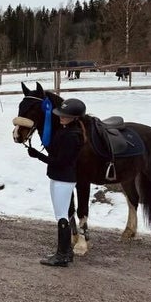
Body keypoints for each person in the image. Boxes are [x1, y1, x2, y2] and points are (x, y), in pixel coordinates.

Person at [27, 98, 86, 267]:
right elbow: (55, 151)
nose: (61, 117)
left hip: (64, 178)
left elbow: (60, 161)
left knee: (62, 216)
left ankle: (62, 254)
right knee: (60, 215)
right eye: (61, 114)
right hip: (58, 177)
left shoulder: (72, 135)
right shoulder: (64, 130)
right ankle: (65, 252)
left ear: (74, 117)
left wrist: (38, 156)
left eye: (65, 116)